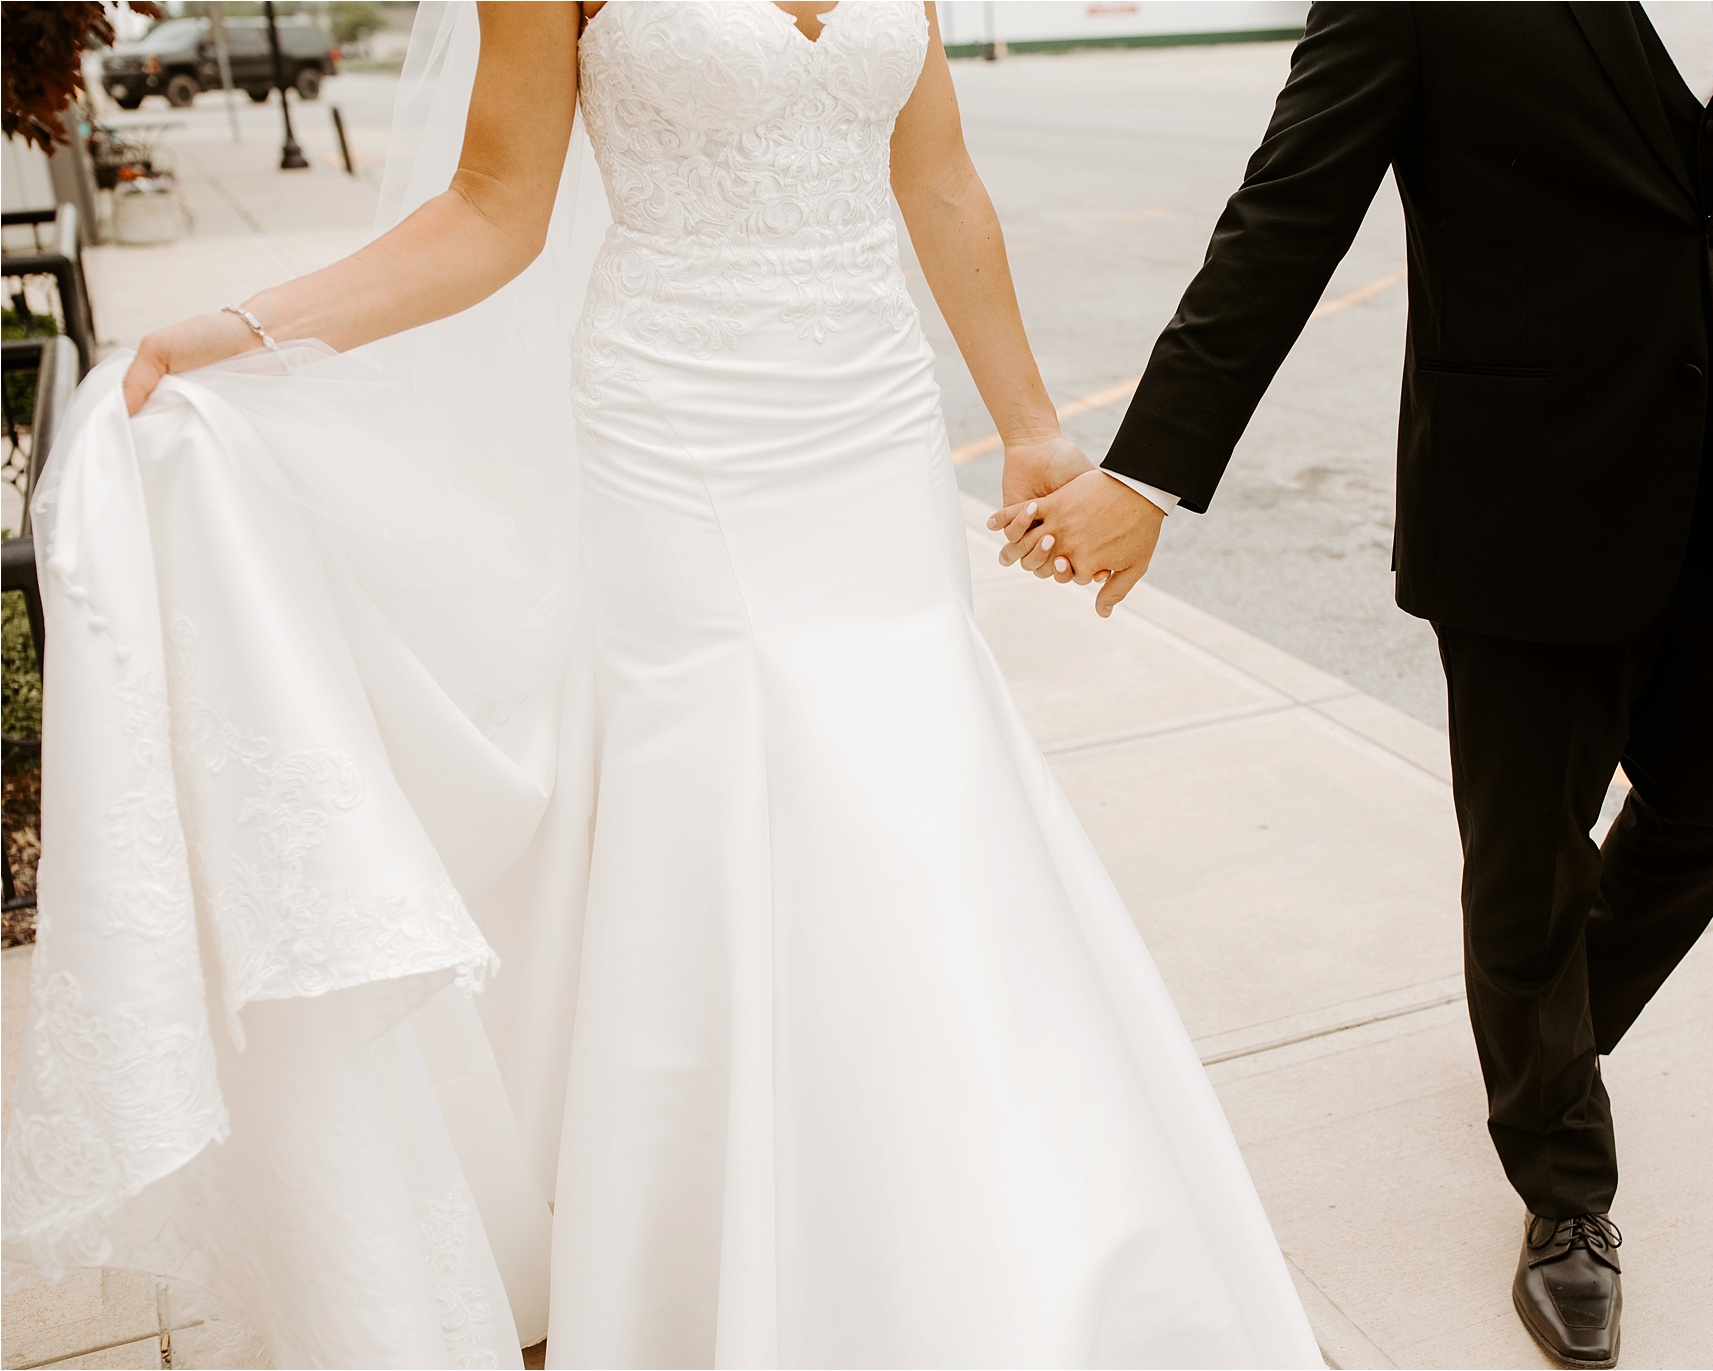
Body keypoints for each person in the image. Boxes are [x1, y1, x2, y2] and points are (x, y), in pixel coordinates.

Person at [5, 3, 1324, 1366]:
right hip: (679, 435)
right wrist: (238, 329)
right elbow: (491, 213)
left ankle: (990, 1212)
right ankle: (727, 1249)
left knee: (925, 803)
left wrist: (1035, 428)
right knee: (744, 808)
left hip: (867, 426)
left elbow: (937, 176)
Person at [996, 3, 1713, 1367]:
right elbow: (1291, 208)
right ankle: (1566, 1193)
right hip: (1526, 491)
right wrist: (1152, 474)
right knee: (1525, 861)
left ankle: (1536, 1042)